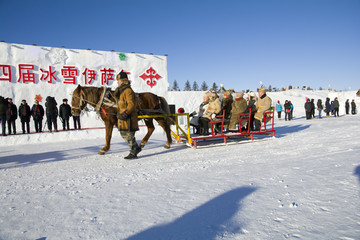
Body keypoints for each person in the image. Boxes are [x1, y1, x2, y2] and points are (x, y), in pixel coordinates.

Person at [114, 71, 142, 159]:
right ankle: (136, 148)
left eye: (118, 80)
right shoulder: (121, 91)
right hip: (123, 117)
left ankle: (133, 152)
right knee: (124, 134)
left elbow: (131, 104)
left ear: (122, 80)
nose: (117, 82)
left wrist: (125, 113)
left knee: (129, 135)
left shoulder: (128, 91)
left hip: (128, 117)